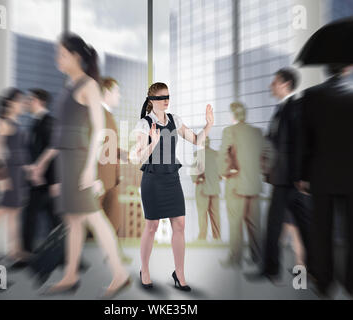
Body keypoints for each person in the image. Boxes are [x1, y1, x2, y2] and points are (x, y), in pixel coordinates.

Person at [29, 33, 130, 297]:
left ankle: (119, 274)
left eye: (61, 53)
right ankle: (70, 275)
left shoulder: (89, 86)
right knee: (73, 220)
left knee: (93, 217)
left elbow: (98, 130)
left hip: (79, 161)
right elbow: (60, 133)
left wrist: (89, 168)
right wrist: (42, 162)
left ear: (76, 56)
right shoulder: (67, 88)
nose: (57, 58)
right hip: (65, 160)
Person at [297, 64, 353, 297]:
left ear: (326, 68)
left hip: (321, 174)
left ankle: (324, 283)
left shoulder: (310, 96)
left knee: (322, 233)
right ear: (348, 68)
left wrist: (302, 175)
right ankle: (352, 285)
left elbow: (305, 139)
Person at [131, 82, 214, 291]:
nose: (165, 100)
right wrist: (153, 143)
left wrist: (209, 125)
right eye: (160, 97)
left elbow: (196, 140)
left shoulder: (175, 120)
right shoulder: (144, 124)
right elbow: (138, 157)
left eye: (167, 96)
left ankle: (179, 273)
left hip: (171, 178)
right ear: (151, 101)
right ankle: (145, 270)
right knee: (152, 227)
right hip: (153, 179)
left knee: (180, 225)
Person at [247, 68, 311, 284]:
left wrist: (301, 176)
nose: (270, 86)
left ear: (285, 84)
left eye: (274, 82)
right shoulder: (280, 110)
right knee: (275, 226)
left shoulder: (297, 107)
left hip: (293, 180)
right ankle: (271, 270)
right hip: (281, 179)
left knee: (304, 226)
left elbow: (302, 143)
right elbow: (275, 142)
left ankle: (313, 270)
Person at [0, 88, 30, 266]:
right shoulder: (1, 122)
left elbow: (19, 149)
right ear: (10, 103)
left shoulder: (16, 122)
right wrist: (2, 178)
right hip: (8, 173)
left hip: (18, 172)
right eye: (20, 101)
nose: (23, 104)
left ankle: (15, 251)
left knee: (15, 212)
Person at [218, 102, 263, 268]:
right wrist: (259, 170)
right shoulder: (257, 132)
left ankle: (235, 259)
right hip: (254, 185)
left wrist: (224, 172)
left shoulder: (229, 131)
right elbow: (268, 154)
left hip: (236, 185)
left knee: (235, 224)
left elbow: (223, 153)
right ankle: (257, 257)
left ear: (232, 115)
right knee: (255, 224)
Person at [22, 89, 61, 253]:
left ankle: (66, 254)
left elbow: (55, 151)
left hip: (47, 181)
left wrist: (54, 182)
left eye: (30, 99)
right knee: (47, 217)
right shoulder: (36, 123)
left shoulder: (49, 122)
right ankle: (27, 251)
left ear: (39, 101)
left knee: (52, 219)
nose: (27, 102)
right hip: (38, 180)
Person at [98, 77, 132, 264]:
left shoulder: (108, 116)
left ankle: (114, 255)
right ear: (107, 92)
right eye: (117, 91)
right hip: (100, 177)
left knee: (114, 216)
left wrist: (126, 155)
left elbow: (110, 146)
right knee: (86, 219)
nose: (119, 95)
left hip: (111, 178)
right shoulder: (99, 115)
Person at [191, 136, 221, 242]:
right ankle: (217, 238)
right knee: (215, 215)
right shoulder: (217, 154)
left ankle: (202, 238)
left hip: (202, 189)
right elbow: (221, 174)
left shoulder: (197, 155)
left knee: (202, 215)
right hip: (215, 189)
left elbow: (194, 177)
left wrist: (198, 179)